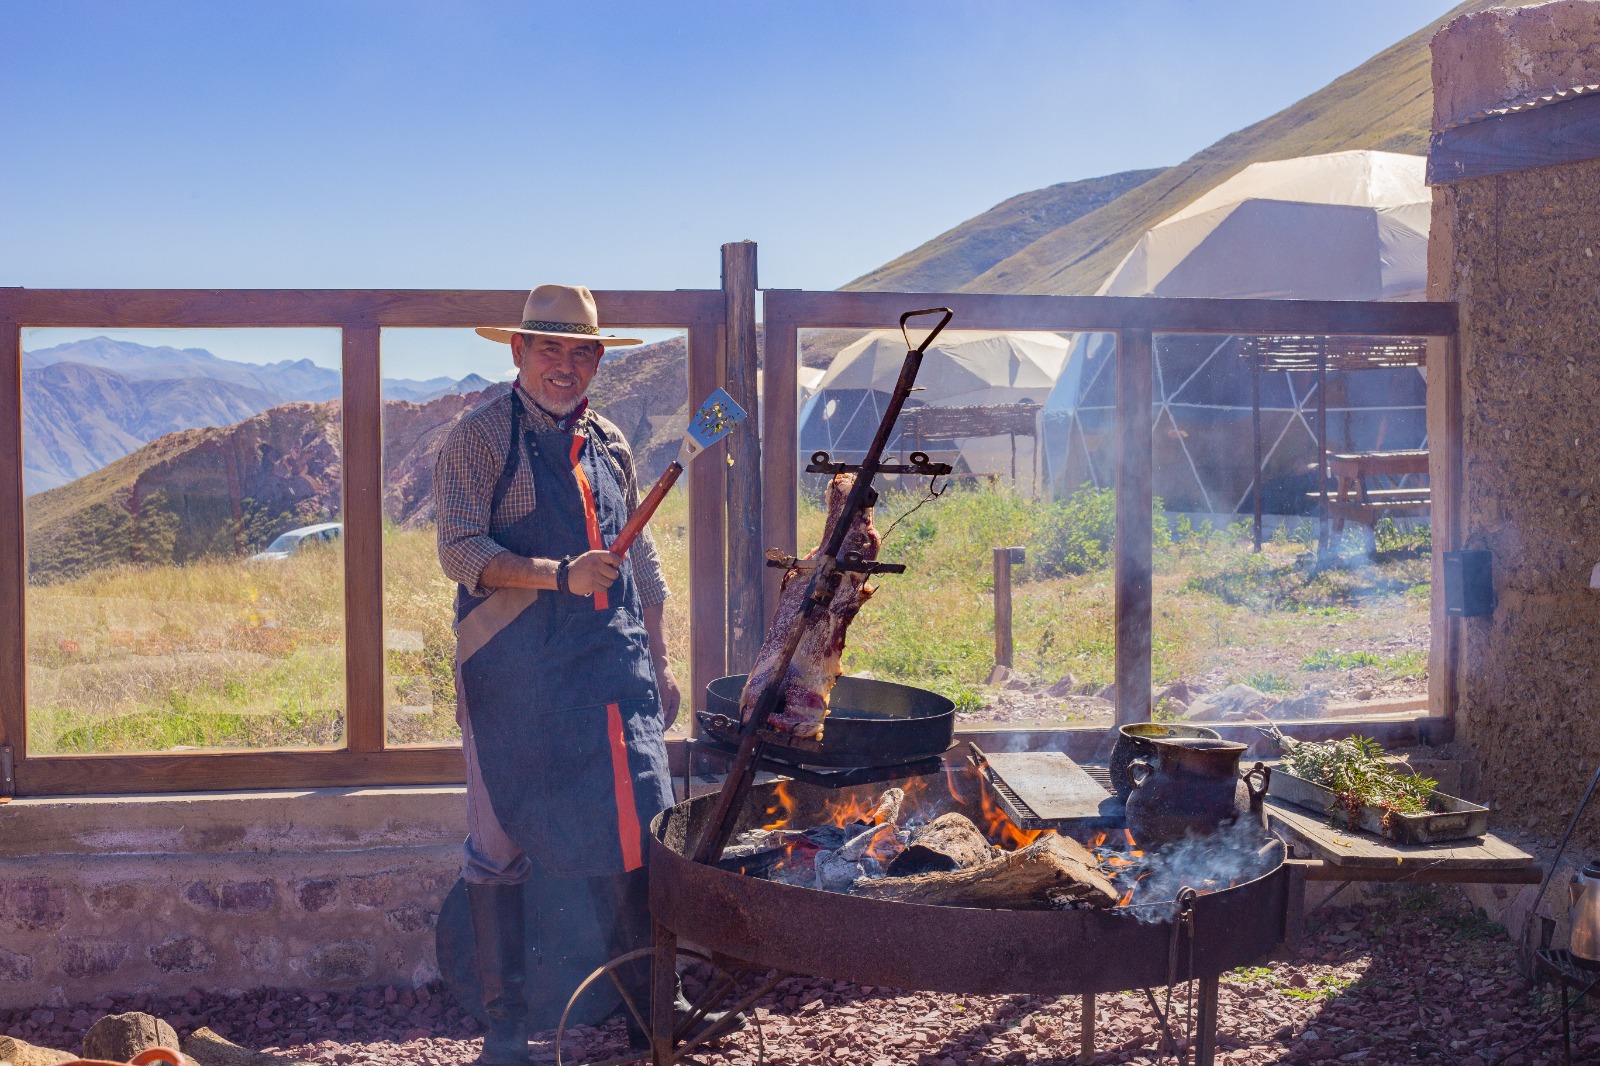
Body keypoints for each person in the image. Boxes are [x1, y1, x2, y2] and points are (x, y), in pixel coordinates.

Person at [434, 284, 678, 1064]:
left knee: (635, 827)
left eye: (582, 352)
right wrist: (559, 574)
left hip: (606, 664)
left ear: (598, 359)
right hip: (509, 672)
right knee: (499, 840)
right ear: (518, 351)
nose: (565, 367)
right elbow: (459, 551)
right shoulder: (478, 437)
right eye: (549, 349)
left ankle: (650, 1008)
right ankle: (507, 1030)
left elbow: (640, 557)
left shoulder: (610, 442)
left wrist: (662, 658)